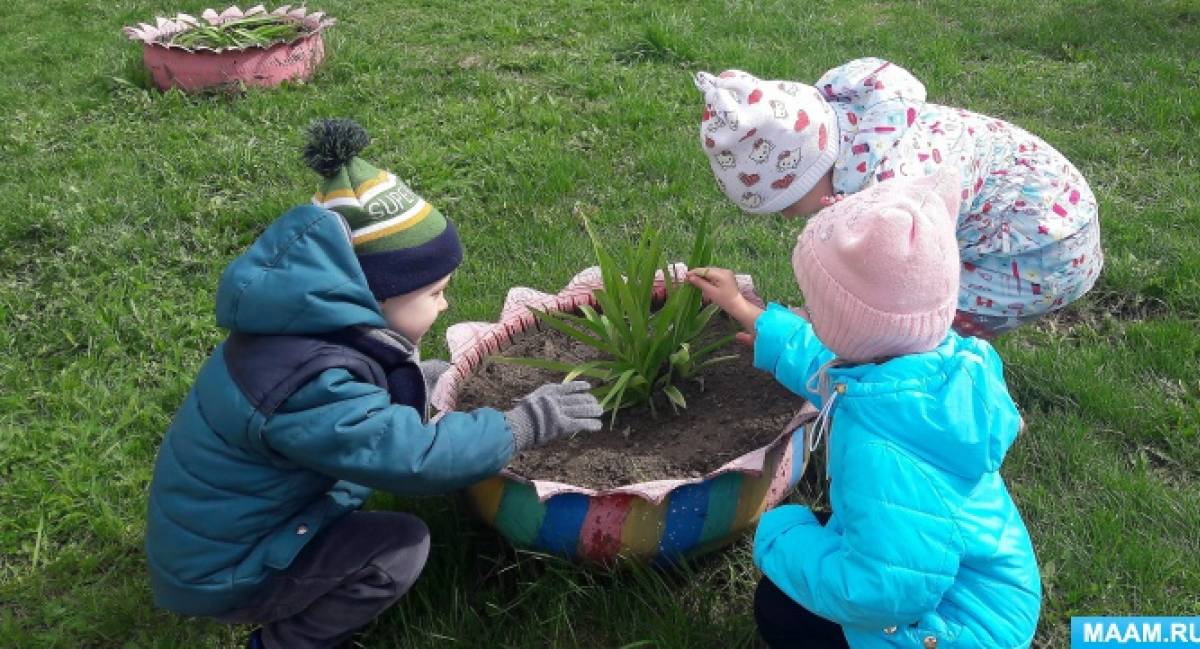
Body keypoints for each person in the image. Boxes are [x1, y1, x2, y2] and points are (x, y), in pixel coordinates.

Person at [144, 119, 602, 649]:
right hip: (229, 569)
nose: (446, 304)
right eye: (435, 292)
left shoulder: (297, 335)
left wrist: (427, 384)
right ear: (375, 299)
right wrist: (527, 422)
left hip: (219, 533)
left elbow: (363, 397)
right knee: (399, 548)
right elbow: (415, 460)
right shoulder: (309, 384)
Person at [687, 170, 1041, 649]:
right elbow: (828, 363)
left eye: (814, 306)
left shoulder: (883, 455)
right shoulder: (926, 372)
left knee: (779, 609)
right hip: (982, 589)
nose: (805, 313)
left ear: (846, 328)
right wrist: (750, 315)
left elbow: (883, 595)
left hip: (956, 631)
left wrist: (781, 536)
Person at [693, 57, 1102, 336]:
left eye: (786, 204)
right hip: (1046, 205)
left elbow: (881, 307)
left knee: (914, 326)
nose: (786, 219)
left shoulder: (890, 192)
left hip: (1040, 253)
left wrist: (789, 328)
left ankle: (964, 401)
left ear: (816, 170)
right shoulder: (858, 125)